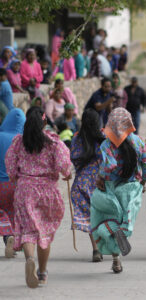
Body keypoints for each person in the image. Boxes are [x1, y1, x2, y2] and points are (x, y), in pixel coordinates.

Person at [5, 106, 72, 288]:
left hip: (25, 189)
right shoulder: (53, 142)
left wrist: (16, 178)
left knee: (28, 230)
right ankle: (42, 273)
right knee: (44, 231)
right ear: (44, 121)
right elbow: (64, 164)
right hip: (47, 191)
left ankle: (29, 260)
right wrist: (67, 173)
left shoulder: (18, 142)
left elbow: (10, 167)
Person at [91, 108, 146, 273]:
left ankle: (116, 259)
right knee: (125, 219)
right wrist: (144, 181)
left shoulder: (106, 145)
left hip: (112, 187)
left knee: (108, 218)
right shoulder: (138, 141)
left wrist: (101, 178)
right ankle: (122, 230)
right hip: (132, 188)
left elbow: (109, 165)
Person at [70, 109, 105, 262]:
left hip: (81, 183)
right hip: (100, 181)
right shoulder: (102, 139)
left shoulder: (77, 138)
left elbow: (73, 157)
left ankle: (96, 249)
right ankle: (110, 242)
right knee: (105, 215)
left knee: (90, 217)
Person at [0, 109, 25, 258]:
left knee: (2, 213)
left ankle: (7, 236)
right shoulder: (22, 139)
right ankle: (11, 240)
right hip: (16, 185)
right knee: (13, 214)